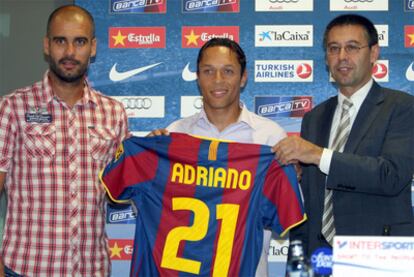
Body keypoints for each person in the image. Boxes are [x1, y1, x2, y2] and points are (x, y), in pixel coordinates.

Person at [0, 5, 129, 276]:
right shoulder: (12, 108)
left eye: (79, 42)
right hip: (25, 269)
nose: (70, 52)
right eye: (61, 41)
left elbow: (124, 191)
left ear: (92, 47)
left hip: (92, 269)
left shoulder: (114, 113)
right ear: (47, 45)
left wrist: (158, 153)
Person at [273, 14, 414, 257]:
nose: (342, 57)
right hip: (318, 256)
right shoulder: (314, 117)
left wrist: (319, 155)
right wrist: (296, 177)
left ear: (373, 53)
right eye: (333, 48)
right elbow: (312, 201)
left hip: (378, 254)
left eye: (352, 47)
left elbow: (391, 175)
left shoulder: (402, 107)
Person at [150, 37, 292, 276]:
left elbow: (284, 215)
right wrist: (152, 160)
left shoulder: (271, 137)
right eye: (208, 71)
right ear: (197, 77)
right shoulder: (174, 136)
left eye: (228, 71)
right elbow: (152, 208)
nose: (218, 80)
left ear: (243, 76)